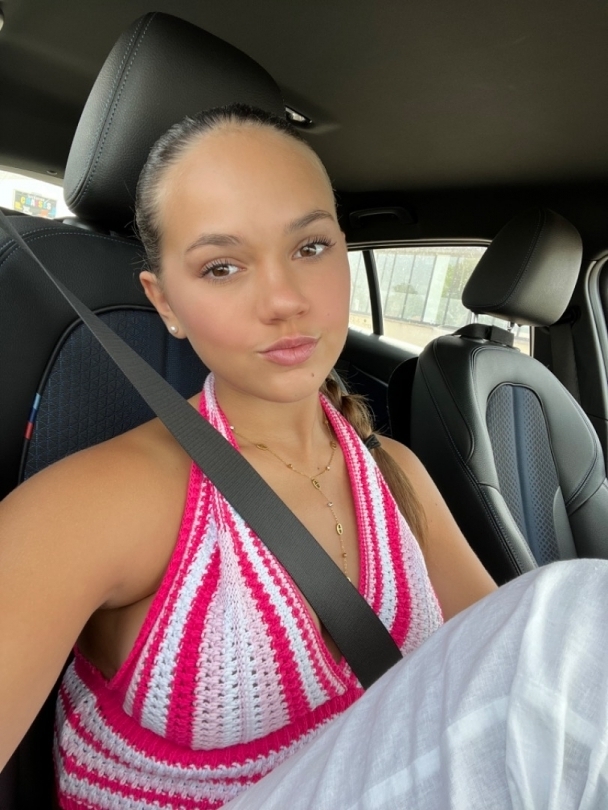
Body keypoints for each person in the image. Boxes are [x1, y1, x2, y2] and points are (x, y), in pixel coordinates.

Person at [0, 104, 606, 810]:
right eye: (222, 267)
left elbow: (494, 672)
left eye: (310, 247)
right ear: (164, 302)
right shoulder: (97, 504)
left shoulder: (397, 475)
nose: (285, 300)